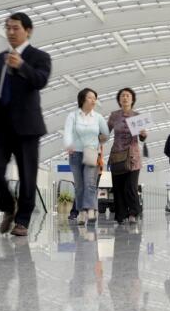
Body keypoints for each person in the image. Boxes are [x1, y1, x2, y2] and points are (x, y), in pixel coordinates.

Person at [0, 12, 52, 237]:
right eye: (8, 28)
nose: (10, 32)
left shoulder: (39, 57)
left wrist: (22, 65)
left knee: (27, 175)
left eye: (16, 28)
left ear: (28, 31)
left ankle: (22, 220)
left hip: (27, 126)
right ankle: (7, 204)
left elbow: (40, 81)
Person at [63, 87, 109, 226]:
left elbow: (105, 134)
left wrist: (97, 142)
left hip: (91, 152)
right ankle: (81, 212)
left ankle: (90, 209)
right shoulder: (73, 116)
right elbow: (67, 132)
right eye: (90, 97)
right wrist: (68, 145)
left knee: (90, 183)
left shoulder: (98, 117)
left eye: (95, 98)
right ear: (83, 99)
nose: (93, 100)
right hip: (75, 153)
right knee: (79, 185)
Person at [106, 87, 147, 225]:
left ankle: (133, 213)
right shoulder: (113, 116)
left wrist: (143, 135)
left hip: (133, 156)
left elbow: (142, 137)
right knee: (117, 187)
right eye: (122, 95)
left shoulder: (137, 116)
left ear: (132, 99)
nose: (125, 98)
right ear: (119, 99)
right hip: (117, 155)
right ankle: (120, 214)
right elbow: (105, 133)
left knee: (131, 187)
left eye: (128, 96)